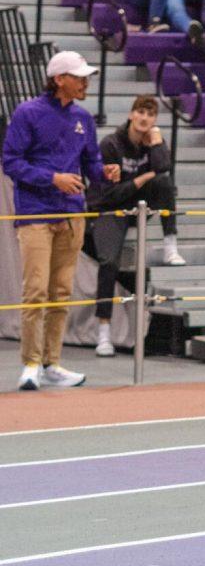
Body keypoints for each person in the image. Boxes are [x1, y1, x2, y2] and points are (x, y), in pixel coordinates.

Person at [2, 51, 120, 390]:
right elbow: (11, 162)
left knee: (61, 291)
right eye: (79, 77)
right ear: (59, 79)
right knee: (36, 291)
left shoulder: (84, 118)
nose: (85, 83)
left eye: (86, 77)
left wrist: (105, 173)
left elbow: (91, 165)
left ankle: (52, 363)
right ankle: (30, 363)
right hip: (35, 213)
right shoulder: (27, 113)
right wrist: (53, 178)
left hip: (72, 215)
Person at [86, 96, 185, 358]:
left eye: (150, 114)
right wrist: (142, 178)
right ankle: (103, 333)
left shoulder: (154, 141)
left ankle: (170, 246)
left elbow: (163, 170)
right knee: (108, 263)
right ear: (131, 114)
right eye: (140, 112)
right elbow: (110, 194)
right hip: (110, 208)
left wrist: (157, 142)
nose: (144, 118)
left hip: (140, 206)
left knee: (164, 183)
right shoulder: (111, 144)